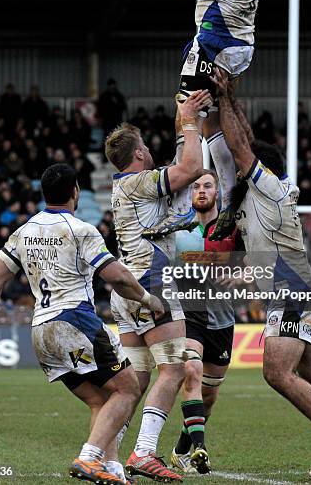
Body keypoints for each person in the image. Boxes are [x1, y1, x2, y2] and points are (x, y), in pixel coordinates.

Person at [0, 163, 165, 485]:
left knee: (101, 400)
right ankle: (88, 458)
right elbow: (117, 276)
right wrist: (150, 300)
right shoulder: (81, 229)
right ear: (75, 192)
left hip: (41, 331)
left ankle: (113, 471)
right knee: (129, 389)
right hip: (74, 321)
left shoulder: (24, 231)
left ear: (44, 193)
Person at [210, 68, 311, 482]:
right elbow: (244, 139)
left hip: (292, 293)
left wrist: (222, 100)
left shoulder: (269, 188)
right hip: (300, 289)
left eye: (244, 169)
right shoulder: (269, 194)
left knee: (276, 373)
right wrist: (232, 97)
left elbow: (241, 148)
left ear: (258, 170)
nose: (238, 173)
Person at [150, 0, 268, 240]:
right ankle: (232, 202)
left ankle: (184, 206)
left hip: (215, 43)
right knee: (212, 124)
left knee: (185, 116)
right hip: (239, 42)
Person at [105, 90, 211, 482]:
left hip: (127, 289)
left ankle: (103, 454)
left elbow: (183, 164)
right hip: (151, 284)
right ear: (138, 154)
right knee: (174, 369)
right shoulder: (139, 183)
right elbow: (192, 168)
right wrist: (188, 120)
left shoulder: (129, 187)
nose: (150, 151)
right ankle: (144, 452)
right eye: (146, 146)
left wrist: (188, 120)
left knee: (136, 381)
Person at [171, 170, 242, 474]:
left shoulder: (233, 230)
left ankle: (181, 450)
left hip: (223, 322)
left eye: (208, 186)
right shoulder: (178, 232)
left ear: (217, 193)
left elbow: (255, 264)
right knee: (192, 370)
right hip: (190, 317)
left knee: (209, 396)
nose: (201, 191)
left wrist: (241, 275)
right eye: (196, 186)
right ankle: (201, 448)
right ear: (190, 194)